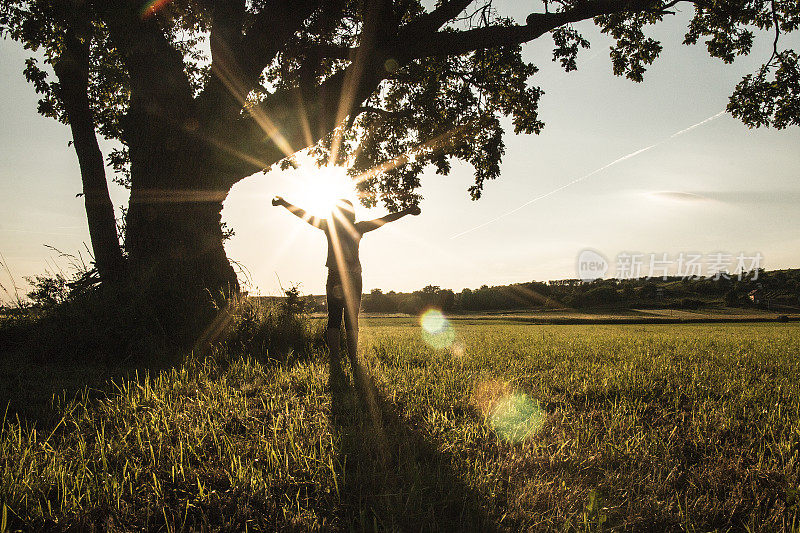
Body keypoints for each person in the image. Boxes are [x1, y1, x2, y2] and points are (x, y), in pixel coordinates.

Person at [272, 195, 420, 386]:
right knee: (351, 319)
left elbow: (304, 215)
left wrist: (284, 203)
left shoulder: (329, 226)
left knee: (334, 318)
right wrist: (406, 211)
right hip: (352, 277)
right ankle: (352, 359)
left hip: (336, 276)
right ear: (351, 214)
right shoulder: (358, 227)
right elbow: (384, 220)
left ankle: (336, 359)